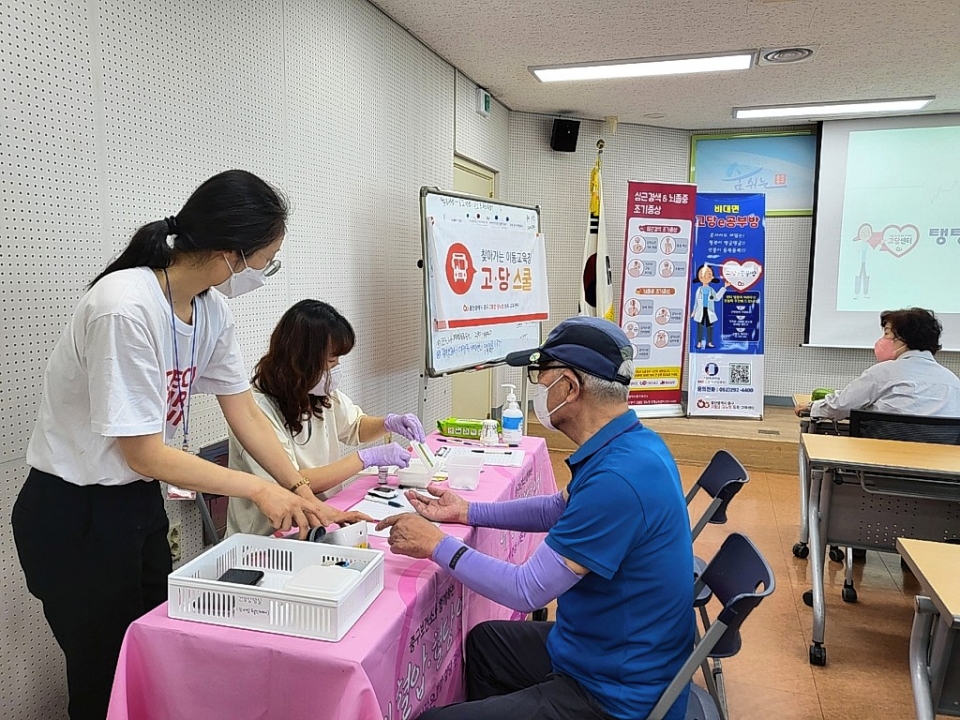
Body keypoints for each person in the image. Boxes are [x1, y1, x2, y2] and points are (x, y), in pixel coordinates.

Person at [11, 170, 367, 720]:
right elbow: (144, 453)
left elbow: (242, 408)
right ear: (230, 252)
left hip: (134, 506)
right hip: (72, 513)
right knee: (103, 675)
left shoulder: (210, 310)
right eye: (263, 260)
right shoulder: (124, 307)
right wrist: (259, 488)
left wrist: (294, 485)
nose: (262, 273)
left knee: (155, 655)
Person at [377, 317, 694, 720]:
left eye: (542, 384)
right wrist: (468, 511)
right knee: (487, 643)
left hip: (614, 693)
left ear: (570, 387)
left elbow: (526, 591)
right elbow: (555, 508)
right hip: (600, 647)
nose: (539, 396)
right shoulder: (632, 445)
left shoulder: (619, 480)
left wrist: (437, 544)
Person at [226, 300, 426, 536]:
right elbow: (294, 481)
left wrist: (387, 423)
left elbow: (355, 426)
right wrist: (365, 459)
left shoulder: (316, 389)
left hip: (321, 517)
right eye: (331, 361)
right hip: (269, 535)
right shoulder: (255, 409)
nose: (335, 369)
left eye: (338, 360)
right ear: (301, 360)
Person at [797, 307, 960, 420]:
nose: (883, 340)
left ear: (903, 339)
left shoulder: (883, 373)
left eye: (887, 334)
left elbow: (841, 405)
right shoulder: (953, 382)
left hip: (881, 456)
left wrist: (812, 407)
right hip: (939, 464)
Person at [690, 263, 729, 349]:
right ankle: (699, 342)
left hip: (709, 311)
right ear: (699, 277)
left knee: (709, 327)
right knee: (700, 327)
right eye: (703, 274)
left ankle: (710, 342)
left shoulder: (711, 290)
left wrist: (724, 287)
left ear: (712, 277)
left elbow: (717, 298)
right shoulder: (699, 290)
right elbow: (696, 302)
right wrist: (693, 312)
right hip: (700, 311)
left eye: (709, 274)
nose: (706, 277)